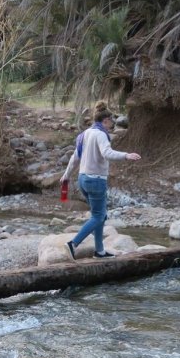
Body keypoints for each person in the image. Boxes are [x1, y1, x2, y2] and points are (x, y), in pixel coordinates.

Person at [59, 102, 141, 259]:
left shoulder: (85, 134)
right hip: (95, 181)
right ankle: (72, 244)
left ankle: (99, 250)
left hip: (83, 180)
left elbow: (75, 157)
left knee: (99, 215)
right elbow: (107, 153)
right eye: (112, 120)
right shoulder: (101, 134)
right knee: (98, 216)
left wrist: (67, 175)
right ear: (106, 120)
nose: (113, 123)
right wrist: (126, 155)